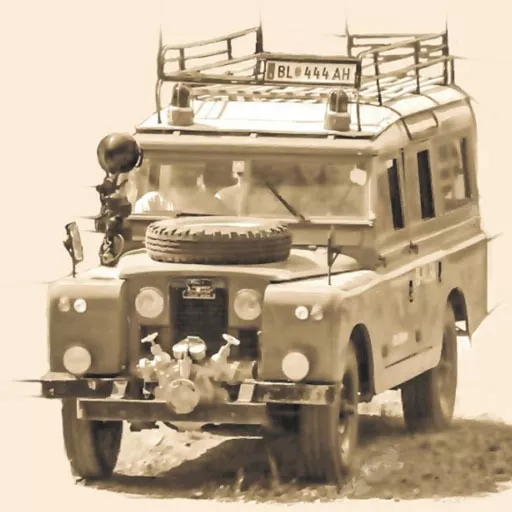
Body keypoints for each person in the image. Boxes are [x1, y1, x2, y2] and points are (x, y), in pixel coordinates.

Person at [133, 162, 231, 215]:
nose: (185, 170)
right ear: (173, 168)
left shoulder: (214, 205)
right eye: (180, 165)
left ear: (200, 170)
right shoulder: (151, 202)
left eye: (191, 166)